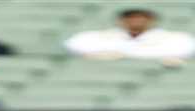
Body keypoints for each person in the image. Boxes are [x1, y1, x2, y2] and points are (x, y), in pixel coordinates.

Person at [64, 9, 195, 62]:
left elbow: (187, 48)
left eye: (141, 17)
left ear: (152, 20)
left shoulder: (174, 38)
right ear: (121, 20)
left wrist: (119, 54)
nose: (136, 21)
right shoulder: (101, 36)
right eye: (131, 17)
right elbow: (73, 44)